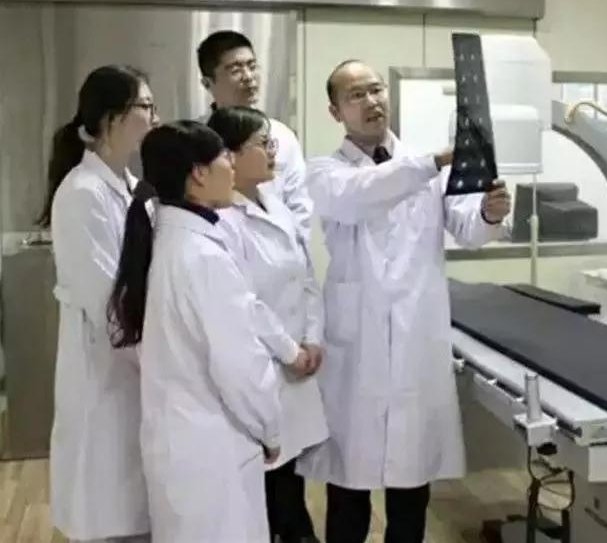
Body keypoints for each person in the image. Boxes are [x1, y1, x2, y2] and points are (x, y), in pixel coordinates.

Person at [300, 60, 512, 543]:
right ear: (335, 111)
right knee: (348, 490)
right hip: (358, 346)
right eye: (356, 95)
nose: (371, 101)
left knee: (411, 490)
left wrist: (488, 212)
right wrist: (435, 161)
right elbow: (361, 195)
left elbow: (469, 230)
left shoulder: (426, 167)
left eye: (376, 90)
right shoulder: (326, 172)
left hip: (416, 335)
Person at [108, 121, 283, 543]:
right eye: (225, 156)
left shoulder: (167, 241)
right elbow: (240, 365)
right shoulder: (202, 256)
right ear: (199, 174)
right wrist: (271, 429)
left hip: (181, 444)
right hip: (213, 449)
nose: (232, 164)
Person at [41, 64, 159, 543]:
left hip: (137, 369)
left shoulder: (132, 188)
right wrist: (160, 365)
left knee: (137, 507)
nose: (154, 117)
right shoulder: (82, 194)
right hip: (107, 371)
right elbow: (109, 304)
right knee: (109, 505)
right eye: (145, 106)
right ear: (112, 118)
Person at [208, 106, 328, 543]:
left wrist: (312, 338)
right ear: (230, 155)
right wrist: (290, 351)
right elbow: (245, 302)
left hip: (297, 361)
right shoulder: (221, 220)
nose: (273, 151)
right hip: (262, 367)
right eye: (262, 143)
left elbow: (305, 274)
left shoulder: (274, 202)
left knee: (288, 480)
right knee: (266, 488)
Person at [196, 30, 312, 241]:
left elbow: (300, 205)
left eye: (252, 66)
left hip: (277, 247)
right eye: (235, 70)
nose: (248, 77)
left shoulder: (282, 136)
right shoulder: (196, 138)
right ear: (207, 83)